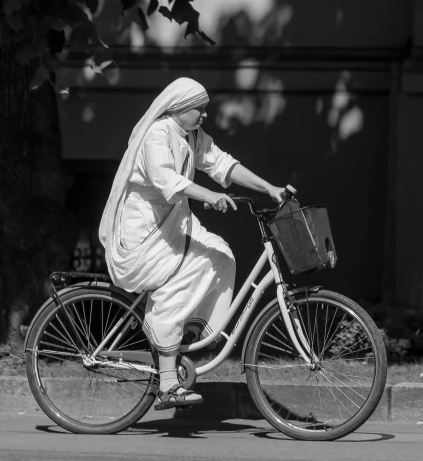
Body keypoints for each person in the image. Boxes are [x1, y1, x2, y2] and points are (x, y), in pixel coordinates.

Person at [98, 77, 285, 410]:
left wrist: (269, 188)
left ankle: (188, 331)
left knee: (220, 255)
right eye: (199, 108)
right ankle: (168, 383)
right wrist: (209, 196)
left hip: (174, 225)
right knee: (180, 279)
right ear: (179, 108)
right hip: (144, 233)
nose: (204, 115)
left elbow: (222, 164)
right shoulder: (157, 135)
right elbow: (167, 180)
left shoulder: (191, 136)